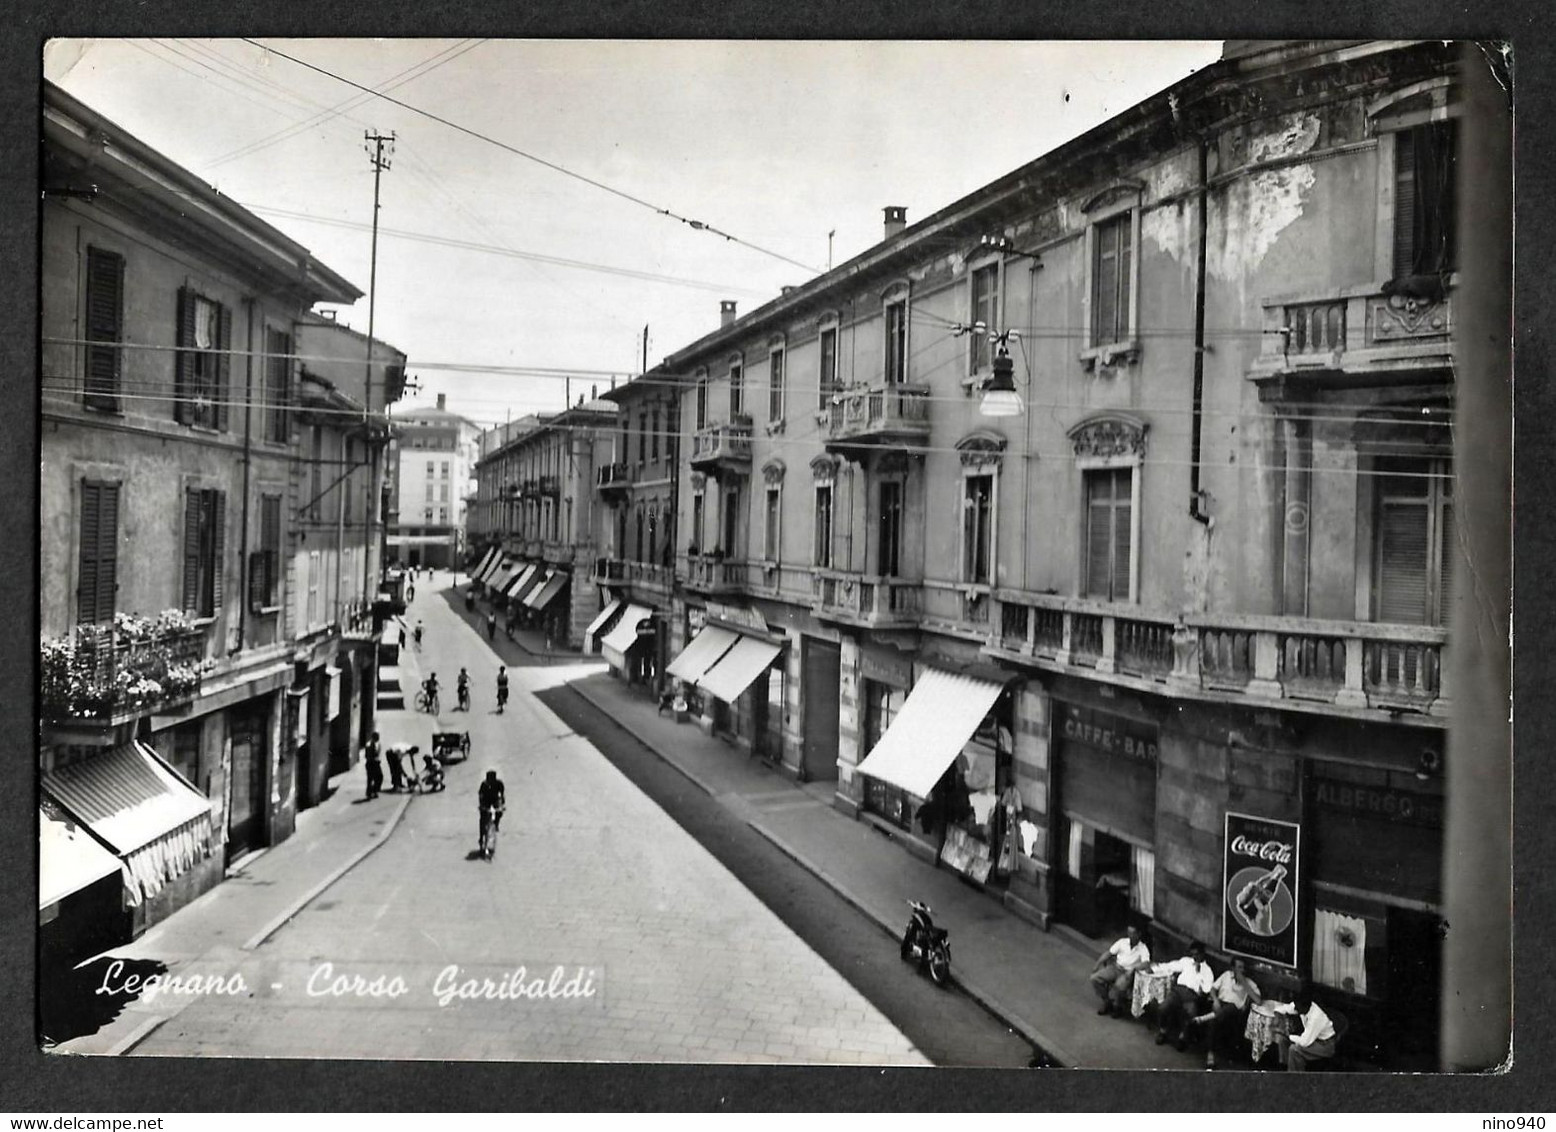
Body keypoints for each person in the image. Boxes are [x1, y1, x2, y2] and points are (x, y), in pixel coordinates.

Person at [1153, 940, 1215, 1050]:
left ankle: (1182, 1037)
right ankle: (1163, 1031)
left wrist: (1199, 975)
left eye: (1197, 954)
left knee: (1191, 1013)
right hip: (1178, 991)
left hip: (1192, 995)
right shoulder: (1186, 961)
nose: (1195, 957)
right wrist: (1155, 967)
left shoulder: (1207, 970)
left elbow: (1207, 988)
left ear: (1202, 954)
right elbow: (1171, 966)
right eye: (1193, 954)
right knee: (1163, 1008)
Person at [1203, 957, 1262, 1068]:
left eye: (1243, 968)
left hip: (1235, 1012)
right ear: (1233, 968)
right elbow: (1212, 989)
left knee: (1230, 1008)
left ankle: (1205, 1018)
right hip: (1220, 1006)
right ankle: (1210, 1056)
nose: (1242, 970)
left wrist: (1244, 983)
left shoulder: (1248, 982)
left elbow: (1258, 1000)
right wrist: (1215, 1000)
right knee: (1214, 1022)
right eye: (1239, 967)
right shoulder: (1226, 975)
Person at [1089, 923, 1151, 1018]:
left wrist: (1133, 969)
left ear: (1139, 934)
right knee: (1095, 978)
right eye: (1129, 933)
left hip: (1128, 972)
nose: (1130, 936)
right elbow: (1109, 953)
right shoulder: (1122, 942)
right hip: (1115, 967)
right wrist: (1097, 964)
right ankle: (1107, 1001)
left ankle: (1118, 1006)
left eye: (1133, 933)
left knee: (1119, 986)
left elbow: (1146, 963)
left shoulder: (1143, 948)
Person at [1274, 990, 1338, 1071]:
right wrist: (1276, 1011)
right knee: (1282, 1040)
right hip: (1312, 1038)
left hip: (1325, 1045)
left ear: (1306, 1007)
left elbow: (1305, 1042)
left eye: (1297, 1007)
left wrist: (1288, 1036)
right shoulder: (1301, 1005)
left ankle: (1296, 1077)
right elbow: (1287, 1008)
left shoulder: (1316, 1017)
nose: (1295, 1009)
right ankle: (1286, 1069)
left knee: (1294, 1049)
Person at [478, 769, 507, 845]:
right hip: (485, 801)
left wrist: (502, 805)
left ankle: (496, 824)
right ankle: (481, 837)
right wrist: (481, 805)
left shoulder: (499, 784)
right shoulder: (484, 784)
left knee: (499, 812)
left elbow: (502, 795)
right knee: (482, 819)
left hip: (495, 800)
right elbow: (480, 795)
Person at [363, 732, 383, 799]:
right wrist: (374, 757)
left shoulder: (378, 744)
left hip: (376, 763)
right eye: (377, 737)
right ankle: (370, 792)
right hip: (371, 763)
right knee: (371, 778)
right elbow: (367, 755)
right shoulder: (369, 745)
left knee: (379, 777)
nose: (378, 739)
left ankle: (374, 790)